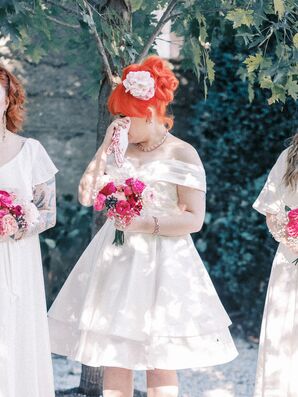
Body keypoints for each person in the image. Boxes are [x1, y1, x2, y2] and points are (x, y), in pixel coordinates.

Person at [48, 55, 237, 397]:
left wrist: (143, 222)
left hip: (163, 262)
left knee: (159, 360)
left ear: (149, 115)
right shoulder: (119, 151)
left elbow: (193, 219)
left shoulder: (183, 154)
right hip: (116, 259)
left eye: (124, 118)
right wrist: (106, 146)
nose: (118, 124)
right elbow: (87, 196)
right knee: (115, 356)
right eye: (115, 118)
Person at [0, 65, 58, 397]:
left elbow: (48, 212)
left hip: (16, 255)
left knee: (14, 329)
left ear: (8, 100)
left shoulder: (30, 151)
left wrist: (19, 224)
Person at [253, 134, 298, 397]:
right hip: (290, 258)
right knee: (285, 333)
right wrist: (291, 237)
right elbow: (271, 211)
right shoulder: (289, 156)